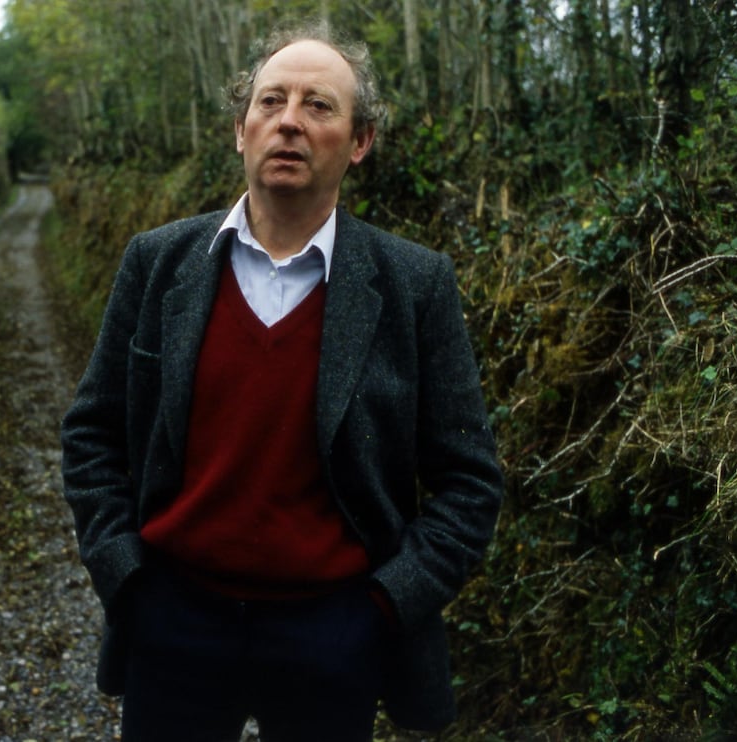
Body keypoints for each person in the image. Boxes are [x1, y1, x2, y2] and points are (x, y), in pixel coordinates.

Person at [60, 20, 503, 742]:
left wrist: (383, 607)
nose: (289, 121)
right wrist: (129, 579)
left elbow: (469, 479)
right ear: (241, 129)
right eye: (271, 101)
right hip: (174, 623)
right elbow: (92, 432)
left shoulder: (414, 286)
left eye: (319, 105)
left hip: (334, 633)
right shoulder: (157, 263)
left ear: (359, 142)